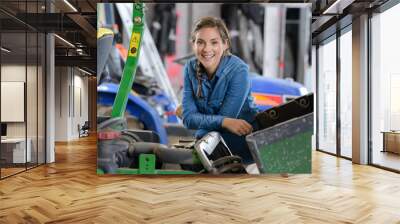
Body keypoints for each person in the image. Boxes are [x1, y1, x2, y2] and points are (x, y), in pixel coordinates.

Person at [182, 16, 259, 164]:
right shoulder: (190, 68)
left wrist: (198, 121)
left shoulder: (239, 70)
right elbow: (189, 119)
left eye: (214, 42)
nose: (206, 49)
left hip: (245, 152)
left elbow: (220, 123)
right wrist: (224, 121)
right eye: (200, 42)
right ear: (193, 45)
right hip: (211, 147)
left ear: (225, 44)